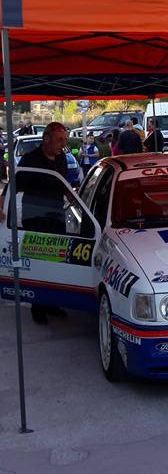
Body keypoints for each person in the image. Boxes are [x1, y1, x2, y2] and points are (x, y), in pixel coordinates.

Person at [17, 122, 70, 324]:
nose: (63, 145)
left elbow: (63, 183)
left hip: (56, 216)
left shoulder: (62, 158)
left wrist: (72, 195)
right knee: (39, 262)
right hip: (35, 217)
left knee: (56, 262)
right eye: (59, 140)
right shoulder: (29, 160)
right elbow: (13, 186)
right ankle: (37, 307)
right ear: (46, 138)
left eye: (65, 140)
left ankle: (52, 303)